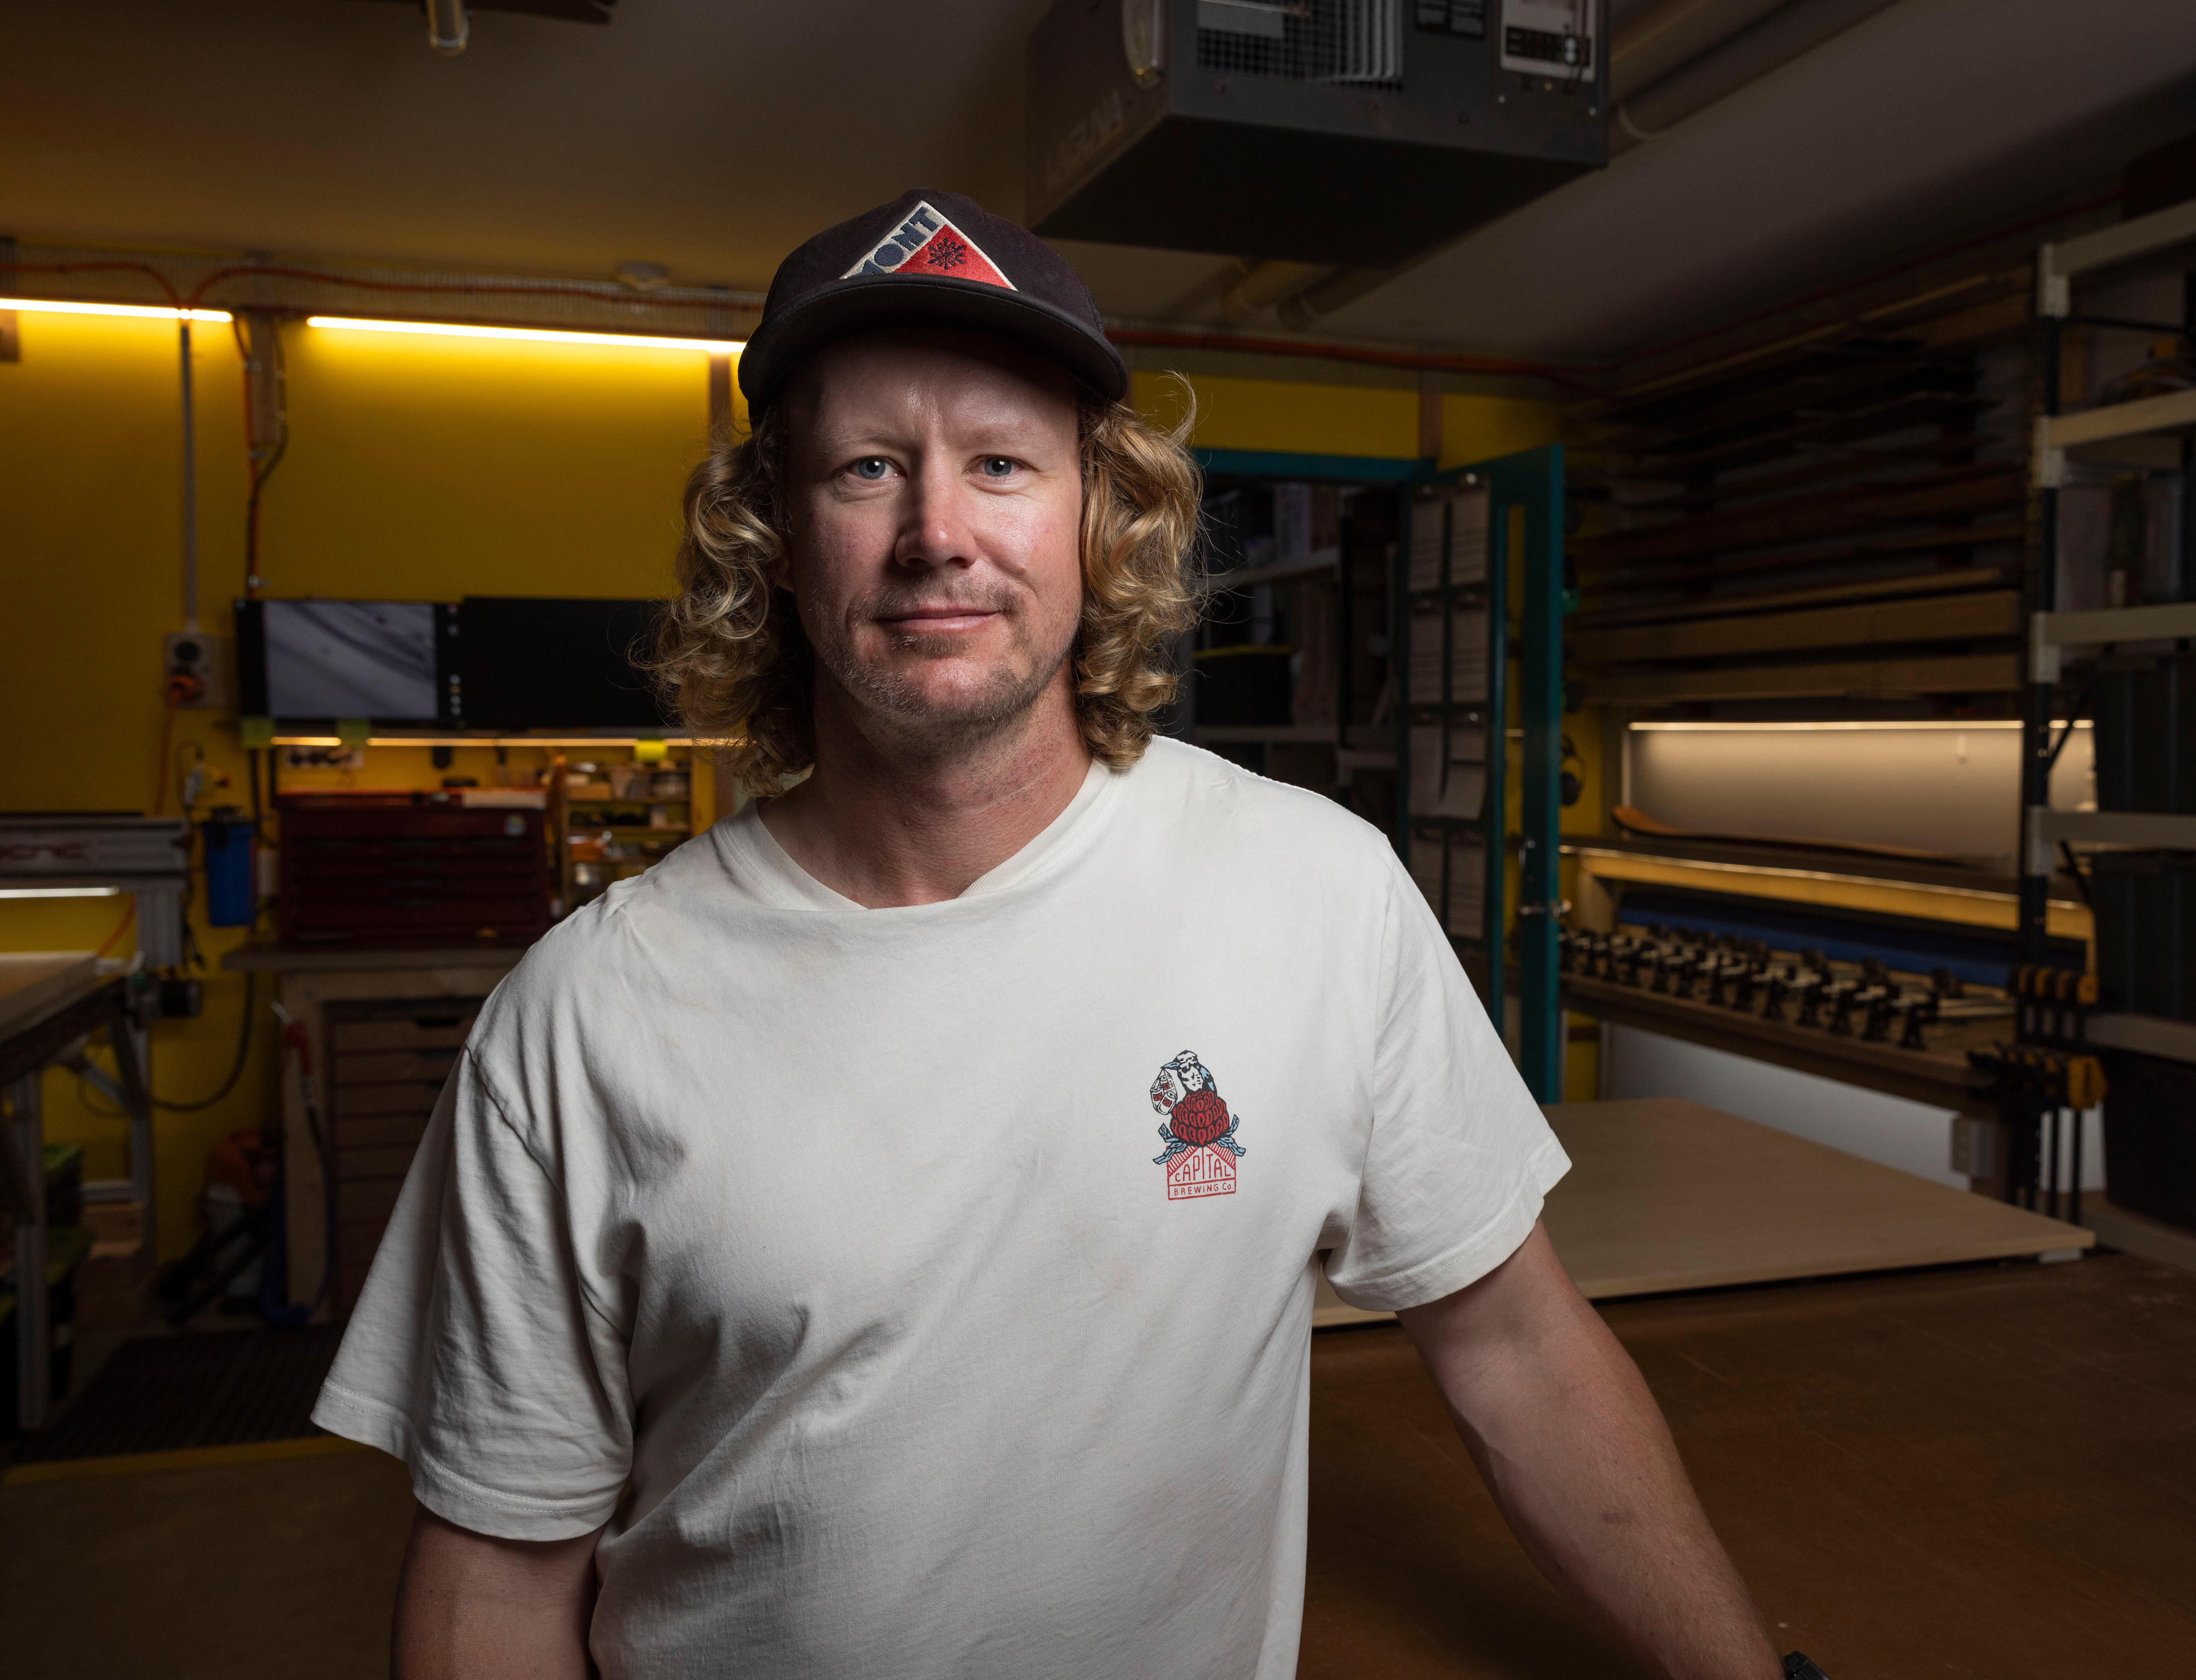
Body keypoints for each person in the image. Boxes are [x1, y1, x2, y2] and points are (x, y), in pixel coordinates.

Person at [313, 189, 1780, 1680]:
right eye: (867, 467)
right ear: (779, 540)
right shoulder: (585, 1013)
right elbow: (498, 1569)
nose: (936, 535)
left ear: (1100, 520)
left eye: (1001, 464)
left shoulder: (1317, 896)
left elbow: (1519, 1353)